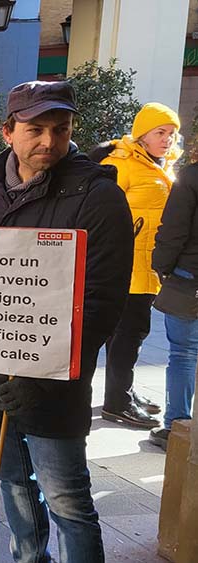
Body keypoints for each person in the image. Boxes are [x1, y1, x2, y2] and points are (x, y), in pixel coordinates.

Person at [0, 81, 133, 563]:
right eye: (35, 129)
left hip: (53, 383)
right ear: (7, 132)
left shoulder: (99, 196)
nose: (48, 141)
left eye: (60, 130)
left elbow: (103, 302)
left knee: (67, 501)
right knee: (15, 488)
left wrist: (43, 377)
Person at [89, 102, 181, 429]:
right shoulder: (123, 163)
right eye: (160, 132)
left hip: (148, 264)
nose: (167, 139)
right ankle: (117, 402)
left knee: (130, 334)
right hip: (126, 264)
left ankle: (122, 391)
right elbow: (102, 211)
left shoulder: (161, 164)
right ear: (143, 133)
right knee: (128, 333)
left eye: (171, 133)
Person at [152, 161, 198, 448]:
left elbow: (174, 228)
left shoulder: (192, 175)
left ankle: (177, 427)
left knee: (183, 353)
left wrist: (161, 266)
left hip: (190, 275)